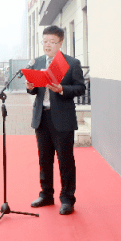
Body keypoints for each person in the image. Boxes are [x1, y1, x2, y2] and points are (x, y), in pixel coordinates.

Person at [26, 25, 87, 216]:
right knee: (44, 159)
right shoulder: (37, 63)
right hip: (41, 117)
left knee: (65, 160)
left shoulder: (71, 63)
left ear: (60, 43)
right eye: (44, 41)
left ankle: (67, 198)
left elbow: (80, 88)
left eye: (52, 42)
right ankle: (46, 194)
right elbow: (35, 90)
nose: (47, 45)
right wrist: (30, 86)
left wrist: (62, 89)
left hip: (62, 118)